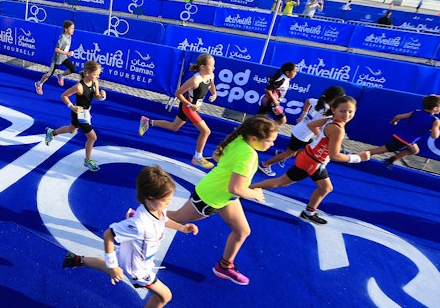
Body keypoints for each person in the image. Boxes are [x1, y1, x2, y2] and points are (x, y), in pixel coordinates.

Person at [62, 165, 198, 308]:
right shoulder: (139, 224)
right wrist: (113, 265)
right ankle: (86, 261)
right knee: (164, 296)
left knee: (105, 267)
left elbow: (164, 220)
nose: (168, 203)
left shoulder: (158, 210)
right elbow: (108, 234)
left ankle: (75, 260)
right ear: (149, 198)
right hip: (137, 269)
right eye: (165, 201)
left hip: (128, 254)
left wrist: (181, 227)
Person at [166, 116, 278, 286]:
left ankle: (224, 266)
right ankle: (142, 215)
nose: (272, 145)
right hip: (210, 198)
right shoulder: (249, 155)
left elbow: (217, 156)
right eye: (269, 141)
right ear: (254, 139)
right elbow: (237, 189)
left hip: (224, 196)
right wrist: (255, 193)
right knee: (175, 218)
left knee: (242, 231)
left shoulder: (239, 139)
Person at [251, 96, 371, 225]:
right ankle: (247, 188)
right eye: (342, 111)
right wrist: (358, 158)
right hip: (312, 162)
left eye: (350, 111)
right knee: (282, 182)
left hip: (313, 159)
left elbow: (311, 124)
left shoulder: (330, 119)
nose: (346, 115)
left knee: (325, 188)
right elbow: (335, 155)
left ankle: (309, 212)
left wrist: (320, 139)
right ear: (334, 109)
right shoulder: (337, 129)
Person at [139, 54, 217, 169]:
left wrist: (214, 94)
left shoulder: (211, 75)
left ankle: (147, 122)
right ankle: (197, 157)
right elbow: (178, 94)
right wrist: (190, 105)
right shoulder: (195, 80)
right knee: (206, 131)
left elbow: (212, 87)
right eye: (211, 66)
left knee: (174, 127)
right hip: (188, 107)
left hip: (192, 107)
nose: (214, 68)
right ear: (202, 67)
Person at [258, 85, 346, 177]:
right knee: (290, 153)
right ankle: (265, 164)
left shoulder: (319, 102)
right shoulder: (326, 111)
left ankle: (282, 154)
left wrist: (303, 114)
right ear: (334, 98)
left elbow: (308, 101)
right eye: (341, 98)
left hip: (301, 131)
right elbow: (312, 125)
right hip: (302, 134)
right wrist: (319, 135)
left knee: (309, 150)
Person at [44, 60, 107, 172]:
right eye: (95, 74)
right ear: (87, 73)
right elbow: (64, 96)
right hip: (79, 114)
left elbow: (96, 96)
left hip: (86, 113)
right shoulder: (79, 87)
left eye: (98, 74)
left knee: (71, 130)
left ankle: (52, 133)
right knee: (92, 137)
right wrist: (72, 107)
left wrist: (102, 97)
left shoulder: (95, 82)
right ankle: (88, 160)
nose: (97, 76)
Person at [367, 94, 440, 168]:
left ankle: (390, 160)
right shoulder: (435, 120)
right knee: (382, 150)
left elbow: (398, 116)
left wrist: (393, 121)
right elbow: (434, 136)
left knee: (414, 150)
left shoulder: (416, 112)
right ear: (435, 108)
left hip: (401, 136)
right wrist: (436, 128)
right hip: (405, 140)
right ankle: (362, 155)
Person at [35, 20, 76, 95]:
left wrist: (67, 54)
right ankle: (39, 84)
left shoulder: (69, 36)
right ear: (66, 29)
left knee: (73, 69)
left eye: (73, 28)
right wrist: (67, 53)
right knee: (50, 73)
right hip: (56, 59)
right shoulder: (62, 38)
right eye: (71, 28)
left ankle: (61, 75)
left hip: (63, 58)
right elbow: (56, 49)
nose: (73, 30)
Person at [257, 62, 298, 126]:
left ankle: (257, 130)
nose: (296, 73)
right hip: (270, 102)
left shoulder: (286, 79)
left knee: (258, 120)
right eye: (294, 71)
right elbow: (268, 89)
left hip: (267, 101)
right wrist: (275, 100)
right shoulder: (282, 80)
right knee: (282, 120)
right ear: (288, 72)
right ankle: (267, 130)